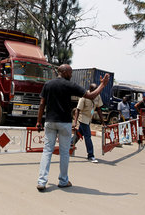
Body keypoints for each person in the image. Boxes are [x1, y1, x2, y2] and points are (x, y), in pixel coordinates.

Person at [36, 64, 110, 192]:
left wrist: (38, 121)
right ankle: (63, 181)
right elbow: (91, 95)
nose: (71, 75)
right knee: (64, 152)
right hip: (64, 123)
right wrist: (102, 85)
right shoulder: (70, 85)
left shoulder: (48, 85)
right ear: (64, 72)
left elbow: (42, 104)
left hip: (50, 122)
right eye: (70, 72)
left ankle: (41, 182)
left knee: (47, 151)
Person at [73, 83, 105, 163]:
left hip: (89, 118)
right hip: (83, 118)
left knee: (79, 133)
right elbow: (78, 109)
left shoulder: (97, 96)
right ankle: (90, 155)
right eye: (94, 91)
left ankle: (68, 146)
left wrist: (102, 121)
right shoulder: (84, 97)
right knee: (88, 136)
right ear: (90, 90)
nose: (96, 93)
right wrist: (75, 122)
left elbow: (99, 109)